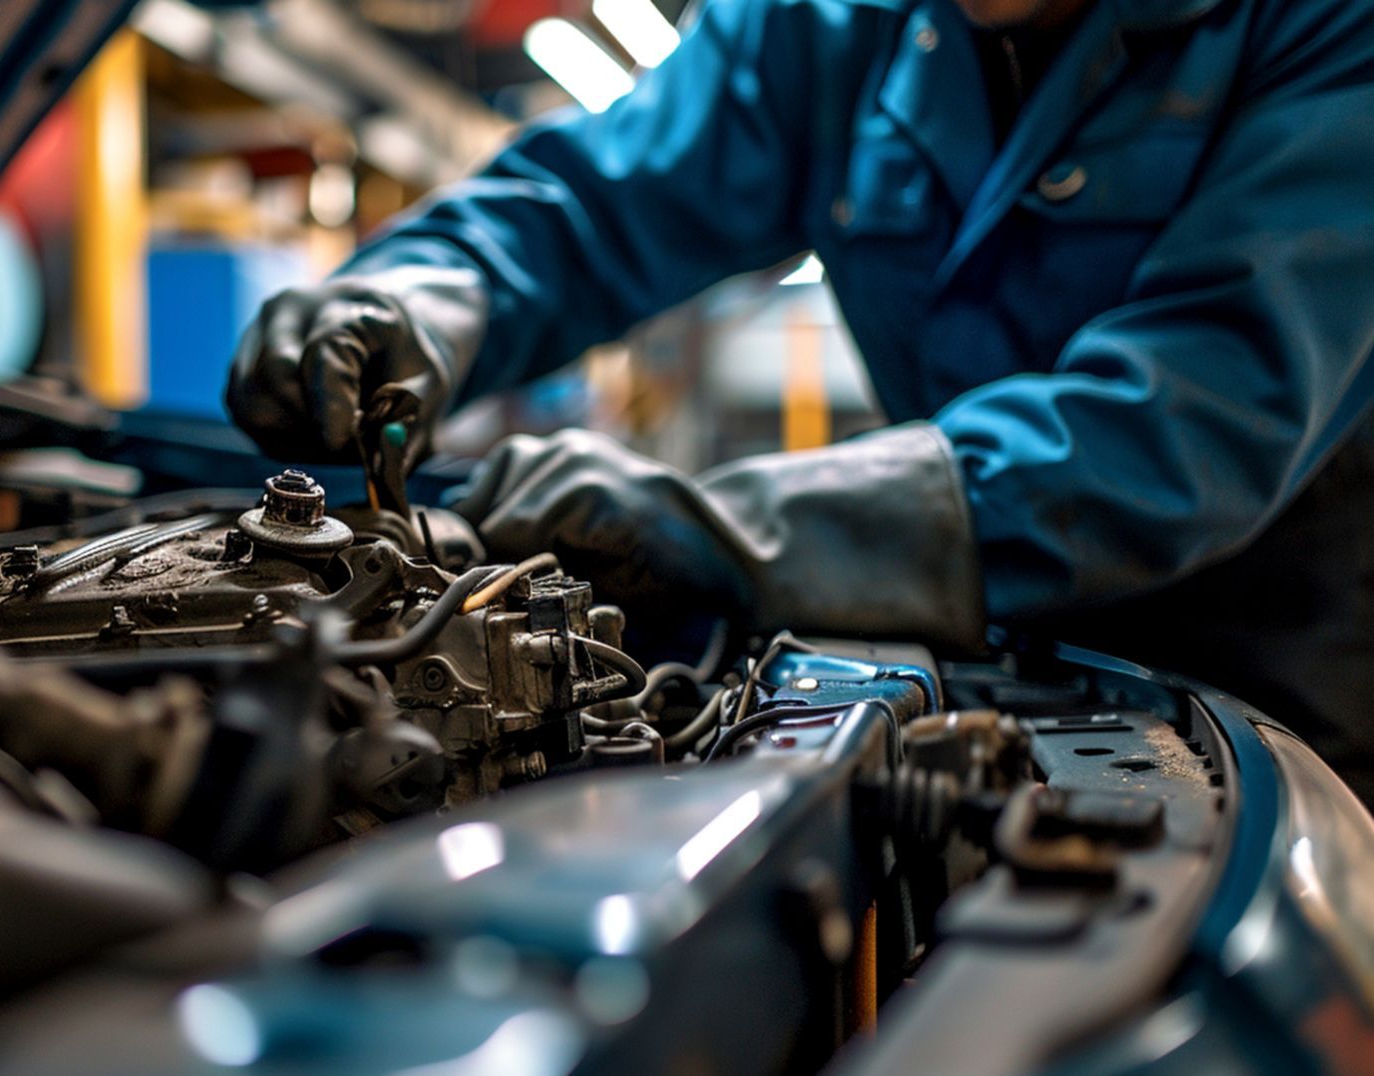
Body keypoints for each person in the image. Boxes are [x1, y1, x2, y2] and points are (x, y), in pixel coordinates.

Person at [225, 0, 1374, 797]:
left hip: (1275, 676)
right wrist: (418, 298)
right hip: (973, 631)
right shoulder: (831, 23)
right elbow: (599, 199)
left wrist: (727, 526)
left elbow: (1197, 409)